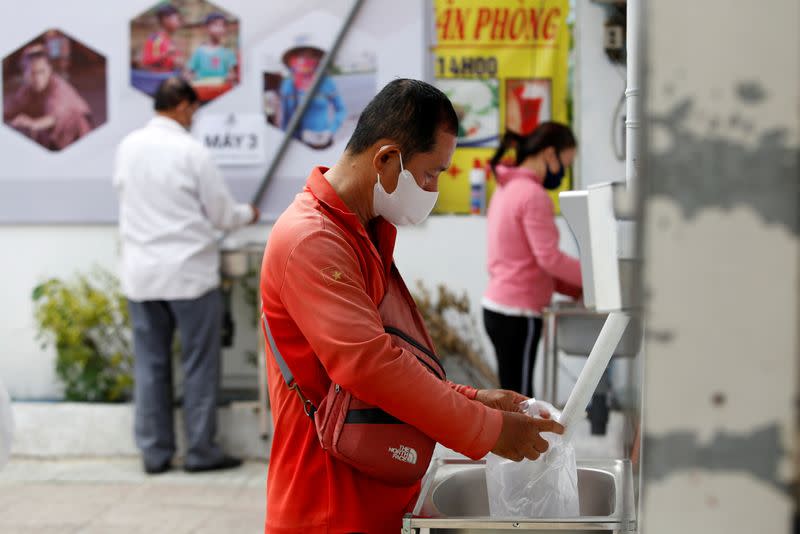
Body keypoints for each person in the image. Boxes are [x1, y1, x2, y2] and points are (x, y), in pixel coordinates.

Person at [260, 79, 564, 533]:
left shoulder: (361, 233)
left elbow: (395, 359)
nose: (433, 188)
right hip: (327, 504)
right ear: (386, 159)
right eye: (430, 174)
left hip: (372, 489)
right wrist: (491, 430)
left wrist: (478, 398)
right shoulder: (312, 241)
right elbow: (370, 366)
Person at [113, 77, 259, 475]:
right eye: (193, 109)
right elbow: (222, 215)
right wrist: (249, 215)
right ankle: (200, 451)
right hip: (189, 274)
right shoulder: (191, 152)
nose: (193, 117)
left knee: (150, 365)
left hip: (142, 275)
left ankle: (155, 454)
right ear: (181, 106)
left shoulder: (128, 147)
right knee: (199, 363)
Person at [483, 122, 583, 398]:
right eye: (566, 163)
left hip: (497, 307)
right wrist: (595, 277)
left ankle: (506, 443)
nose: (564, 172)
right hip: (519, 313)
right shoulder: (533, 194)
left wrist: (572, 287)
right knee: (522, 401)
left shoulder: (506, 188)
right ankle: (515, 444)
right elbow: (549, 258)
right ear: (550, 154)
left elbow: (526, 260)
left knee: (511, 397)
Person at [3, 45, 91, 151]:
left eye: (42, 71)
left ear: (49, 70)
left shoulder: (58, 87)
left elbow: (53, 117)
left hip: (77, 138)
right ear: (25, 74)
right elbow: (13, 106)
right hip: (53, 138)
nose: (38, 78)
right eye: (32, 73)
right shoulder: (27, 89)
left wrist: (32, 123)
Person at [279, 41, 345, 149]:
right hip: (295, 145)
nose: (305, 59)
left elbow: (341, 110)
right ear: (293, 59)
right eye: (301, 55)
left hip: (323, 143)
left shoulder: (326, 82)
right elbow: (284, 120)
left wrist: (331, 131)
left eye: (311, 55)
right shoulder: (288, 85)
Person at [185, 12, 237, 84]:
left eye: (222, 26)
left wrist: (230, 77)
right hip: (202, 90)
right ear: (206, 28)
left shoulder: (228, 53)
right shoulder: (199, 52)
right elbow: (188, 73)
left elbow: (232, 74)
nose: (220, 29)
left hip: (221, 89)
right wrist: (191, 77)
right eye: (216, 25)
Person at [141, 4, 183, 72]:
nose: (179, 22)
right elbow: (146, 64)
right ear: (165, 19)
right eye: (177, 19)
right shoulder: (154, 39)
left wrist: (179, 63)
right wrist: (166, 54)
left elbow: (176, 62)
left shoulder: (171, 41)